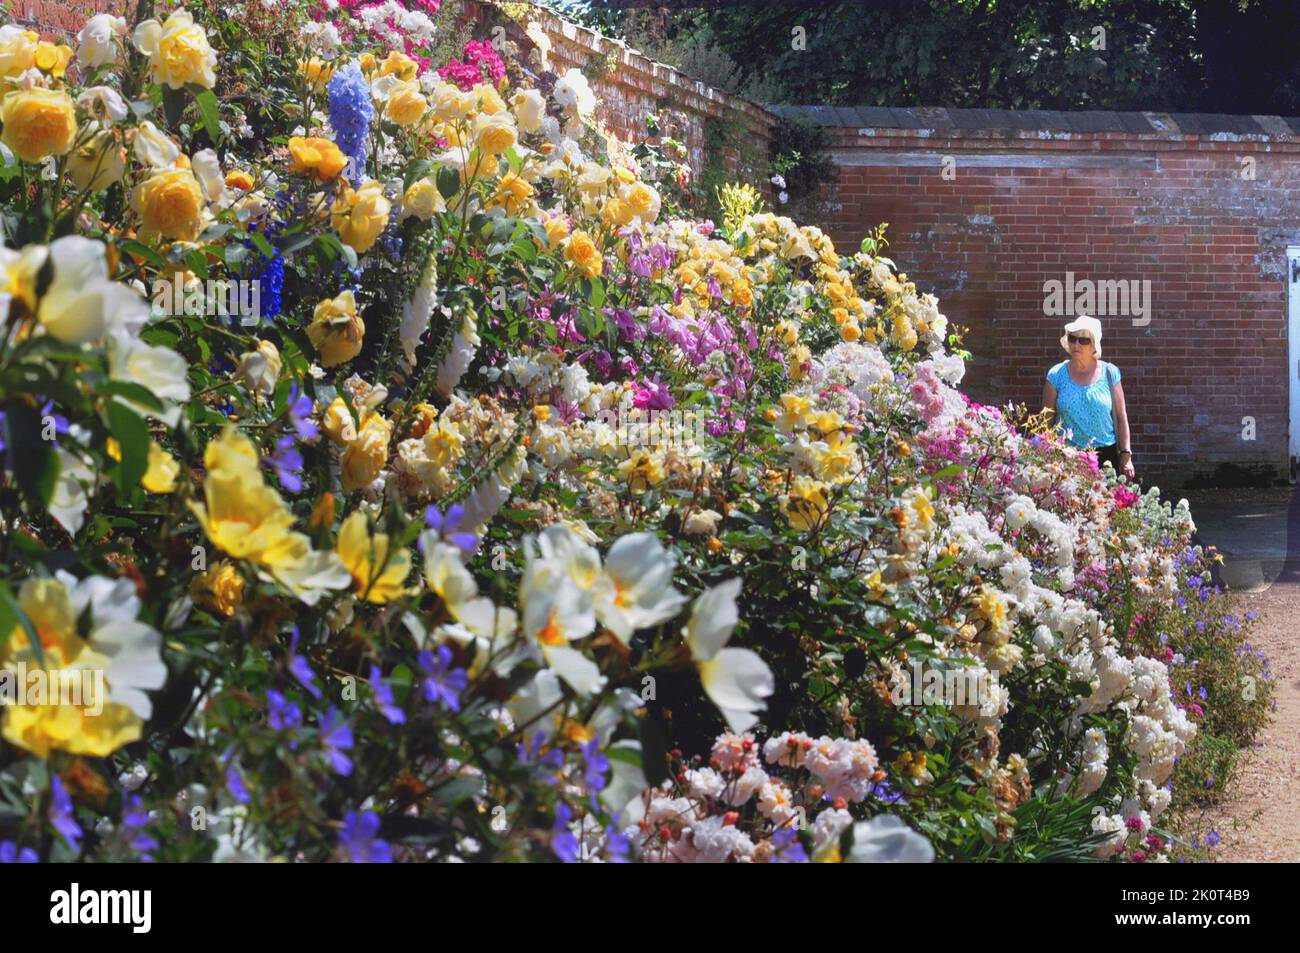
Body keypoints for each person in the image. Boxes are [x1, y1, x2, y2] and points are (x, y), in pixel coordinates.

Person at [1040, 316, 1136, 481]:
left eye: (1083, 340)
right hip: (1066, 456)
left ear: (1094, 345)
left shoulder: (1109, 373)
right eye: (1073, 339)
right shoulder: (1056, 375)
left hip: (1105, 456)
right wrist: (1044, 455)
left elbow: (1121, 417)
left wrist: (1126, 454)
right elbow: (1046, 421)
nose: (1076, 345)